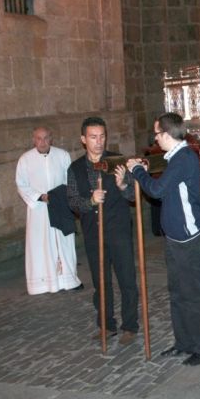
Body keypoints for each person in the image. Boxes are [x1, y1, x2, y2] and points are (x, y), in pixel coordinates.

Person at [127, 112, 200, 366]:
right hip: (175, 239)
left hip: (189, 239)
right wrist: (143, 172)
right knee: (178, 293)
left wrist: (136, 171)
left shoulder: (183, 158)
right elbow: (168, 187)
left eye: (157, 134)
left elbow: (156, 190)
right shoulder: (176, 158)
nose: (155, 139)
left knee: (194, 294)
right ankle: (184, 342)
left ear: (166, 134)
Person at [67, 117, 139, 346]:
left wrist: (123, 186)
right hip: (93, 232)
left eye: (102, 136)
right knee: (101, 282)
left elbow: (132, 197)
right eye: (93, 137)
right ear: (83, 139)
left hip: (118, 230)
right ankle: (106, 325)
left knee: (127, 279)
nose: (98, 142)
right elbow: (73, 202)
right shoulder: (75, 168)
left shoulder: (117, 161)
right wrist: (90, 201)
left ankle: (130, 326)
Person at [16, 127, 82, 295]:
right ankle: (43, 283)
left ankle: (69, 280)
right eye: (39, 138)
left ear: (51, 139)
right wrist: (41, 196)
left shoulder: (62, 155)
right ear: (33, 140)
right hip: (39, 210)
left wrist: (62, 196)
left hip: (60, 205)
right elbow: (22, 184)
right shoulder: (25, 159)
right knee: (41, 245)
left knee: (64, 242)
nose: (42, 142)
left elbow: (70, 179)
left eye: (46, 138)